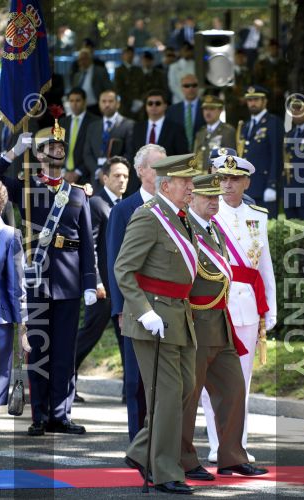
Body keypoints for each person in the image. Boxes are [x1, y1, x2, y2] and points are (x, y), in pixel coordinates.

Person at [0, 122, 97, 436]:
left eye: (59, 147)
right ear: (39, 154)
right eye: (48, 147)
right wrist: (12, 152)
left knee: (65, 353)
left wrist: (89, 282)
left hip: (68, 283)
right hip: (36, 281)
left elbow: (86, 242)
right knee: (38, 351)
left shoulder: (78, 193)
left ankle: (61, 414)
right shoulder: (25, 186)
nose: (55, 152)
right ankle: (39, 415)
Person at [114, 153, 201, 495]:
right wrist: (143, 310)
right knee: (166, 394)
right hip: (153, 319)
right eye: (186, 183)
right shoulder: (148, 217)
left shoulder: (181, 217)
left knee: (184, 387)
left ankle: (139, 451)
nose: (192, 188)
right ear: (167, 185)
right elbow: (124, 268)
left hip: (178, 316)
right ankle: (165, 471)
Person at [181, 172, 268, 479]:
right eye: (208, 197)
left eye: (216, 197)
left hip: (222, 319)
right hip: (194, 321)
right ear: (192, 198)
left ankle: (231, 456)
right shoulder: (185, 228)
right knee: (189, 395)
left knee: (233, 389)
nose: (215, 202)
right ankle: (184, 460)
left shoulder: (215, 229)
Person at [202, 153, 277, 462]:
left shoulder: (257, 215)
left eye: (234, 179)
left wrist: (270, 307)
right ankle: (216, 444)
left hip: (246, 305)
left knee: (241, 382)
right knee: (209, 383)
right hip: (213, 304)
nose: (227, 184)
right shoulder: (204, 212)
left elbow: (265, 266)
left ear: (246, 181)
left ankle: (238, 445)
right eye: (222, 178)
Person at [107, 144, 166, 442]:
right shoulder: (123, 209)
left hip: (168, 306)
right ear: (141, 171)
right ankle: (137, 445)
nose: (161, 173)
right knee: (136, 381)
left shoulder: (172, 208)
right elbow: (115, 261)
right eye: (155, 167)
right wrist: (119, 309)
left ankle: (160, 444)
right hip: (134, 307)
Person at [75, 156, 130, 403]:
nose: (122, 180)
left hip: (122, 288)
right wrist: (95, 280)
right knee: (89, 335)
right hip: (103, 288)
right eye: (117, 175)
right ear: (104, 177)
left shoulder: (126, 205)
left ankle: (130, 391)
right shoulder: (96, 203)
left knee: (127, 338)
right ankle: (63, 380)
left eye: (126, 176)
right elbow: (91, 246)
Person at [0, 180, 31, 406]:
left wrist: (23, 324)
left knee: (0, 380)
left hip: (0, 322)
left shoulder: (9, 235)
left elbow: (16, 285)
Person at [130, 89, 189, 194]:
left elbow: (182, 158)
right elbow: (132, 154)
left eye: (157, 103)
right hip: (139, 184)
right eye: (150, 103)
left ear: (165, 105)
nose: (153, 106)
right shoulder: (137, 128)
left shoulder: (176, 129)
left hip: (166, 184)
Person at [238, 85, 284, 218]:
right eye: (250, 100)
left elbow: (277, 155)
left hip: (265, 186)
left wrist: (272, 184)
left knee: (265, 230)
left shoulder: (273, 122)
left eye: (256, 99)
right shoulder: (245, 126)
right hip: (248, 187)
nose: (252, 103)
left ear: (265, 101)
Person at [83, 90, 134, 192]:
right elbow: (87, 154)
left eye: (110, 101)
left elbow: (130, 154)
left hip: (119, 180)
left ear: (118, 104)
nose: (107, 104)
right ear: (99, 103)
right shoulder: (92, 126)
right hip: (96, 181)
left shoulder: (129, 125)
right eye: (104, 101)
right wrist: (98, 172)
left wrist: (112, 172)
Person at [59, 87, 99, 185]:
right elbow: (59, 148)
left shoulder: (95, 122)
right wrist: (63, 171)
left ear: (85, 102)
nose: (74, 104)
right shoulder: (63, 122)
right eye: (71, 101)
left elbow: (94, 151)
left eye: (78, 100)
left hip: (86, 176)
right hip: (64, 176)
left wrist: (78, 172)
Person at [194, 95, 236, 172]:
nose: (207, 112)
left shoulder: (227, 131)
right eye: (205, 109)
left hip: (218, 177)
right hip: (200, 178)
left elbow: (230, 159)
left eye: (212, 109)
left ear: (220, 110)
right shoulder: (201, 132)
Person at [166, 74, 205, 152]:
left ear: (198, 87)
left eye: (194, 85)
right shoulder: (172, 110)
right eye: (186, 86)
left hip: (202, 153)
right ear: (181, 88)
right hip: (178, 155)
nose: (191, 88)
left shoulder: (206, 107)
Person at [71, 47, 113, 116]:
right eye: (80, 60)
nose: (81, 62)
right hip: (82, 109)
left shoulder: (100, 71)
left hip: (97, 108)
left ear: (89, 59)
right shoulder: (77, 75)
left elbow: (108, 89)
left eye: (83, 59)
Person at [114, 47, 145, 120]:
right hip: (125, 106)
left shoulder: (138, 70)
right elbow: (118, 88)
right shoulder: (119, 71)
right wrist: (131, 102)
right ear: (123, 56)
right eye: (127, 53)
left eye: (131, 53)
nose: (129, 55)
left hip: (139, 105)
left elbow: (143, 86)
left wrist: (140, 100)